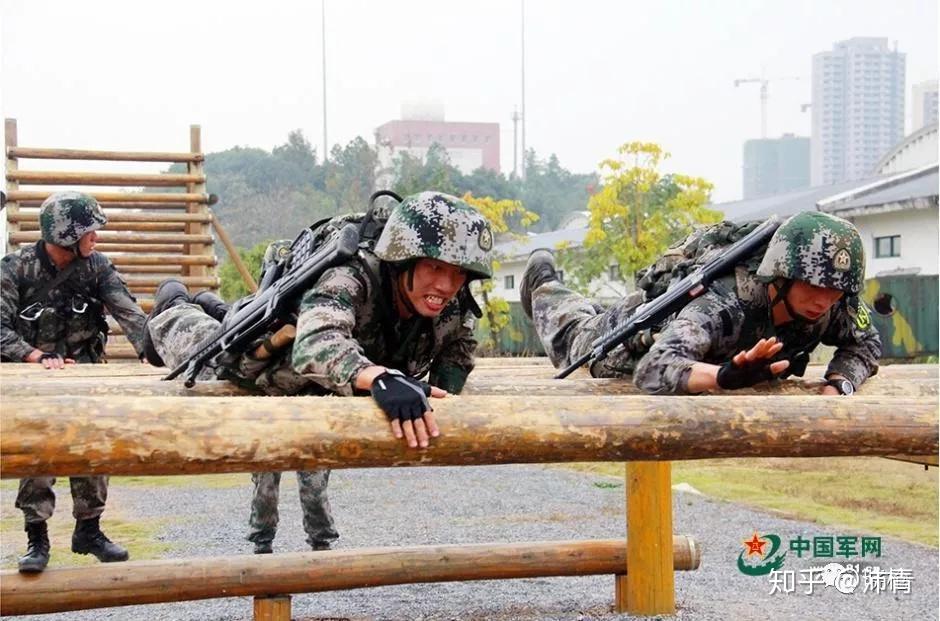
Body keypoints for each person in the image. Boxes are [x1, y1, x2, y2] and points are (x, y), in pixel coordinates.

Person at [143, 191, 494, 553]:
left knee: (227, 327)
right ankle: (174, 304)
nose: (446, 285)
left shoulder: (451, 305)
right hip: (269, 360)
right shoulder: (351, 276)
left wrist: (436, 393)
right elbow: (316, 341)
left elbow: (460, 350)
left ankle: (212, 306)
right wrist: (378, 377)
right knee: (204, 354)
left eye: (457, 273)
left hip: (320, 386)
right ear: (404, 259)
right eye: (435, 268)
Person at [520, 211, 881, 395]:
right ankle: (543, 280)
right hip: (631, 339)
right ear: (781, 274)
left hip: (684, 335)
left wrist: (841, 382)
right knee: (571, 333)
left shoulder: (834, 303)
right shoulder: (724, 305)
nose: (823, 299)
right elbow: (653, 370)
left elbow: (866, 342)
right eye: (811, 285)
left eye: (834, 290)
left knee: (588, 313)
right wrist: (723, 376)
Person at [1, 191, 149, 572]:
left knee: (94, 450)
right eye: (90, 232)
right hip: (33, 381)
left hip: (86, 376)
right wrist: (36, 356)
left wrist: (154, 352)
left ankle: (89, 530)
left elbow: (129, 314)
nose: (96, 238)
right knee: (39, 454)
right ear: (67, 235)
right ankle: (37, 539)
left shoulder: (97, 268)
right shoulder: (15, 268)